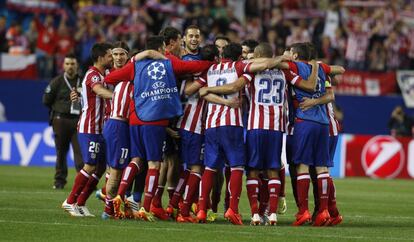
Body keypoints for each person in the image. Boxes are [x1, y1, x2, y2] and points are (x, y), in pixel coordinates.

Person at [200, 42, 318, 225]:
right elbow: (304, 85)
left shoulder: (251, 72)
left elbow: (235, 87)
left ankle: (255, 214)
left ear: (258, 56)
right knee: (273, 170)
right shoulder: (284, 72)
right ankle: (272, 214)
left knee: (253, 171)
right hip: (277, 128)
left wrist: (208, 90)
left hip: (255, 127)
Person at [104, 35, 213, 221]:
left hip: (135, 119)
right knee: (155, 164)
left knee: (137, 159)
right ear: (162, 48)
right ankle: (145, 208)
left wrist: (134, 60)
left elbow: (111, 77)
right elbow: (197, 67)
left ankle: (119, 196)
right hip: (154, 121)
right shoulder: (169, 62)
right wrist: (215, 65)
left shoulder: (135, 66)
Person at [61, 42, 114, 217]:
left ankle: (81, 203)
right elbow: (98, 91)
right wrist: (118, 97)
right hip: (89, 127)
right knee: (90, 165)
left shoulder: (105, 73)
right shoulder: (93, 75)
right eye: (109, 55)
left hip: (102, 129)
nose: (112, 58)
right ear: (100, 58)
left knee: (99, 168)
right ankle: (70, 201)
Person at [42, 54, 83, 190]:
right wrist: (59, 109)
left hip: (78, 120)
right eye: (67, 64)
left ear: (77, 65)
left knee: (80, 152)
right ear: (63, 65)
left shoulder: (83, 81)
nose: (70, 66)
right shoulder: (57, 81)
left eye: (72, 64)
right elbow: (46, 100)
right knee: (61, 152)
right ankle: (59, 181)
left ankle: (83, 182)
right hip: (61, 120)